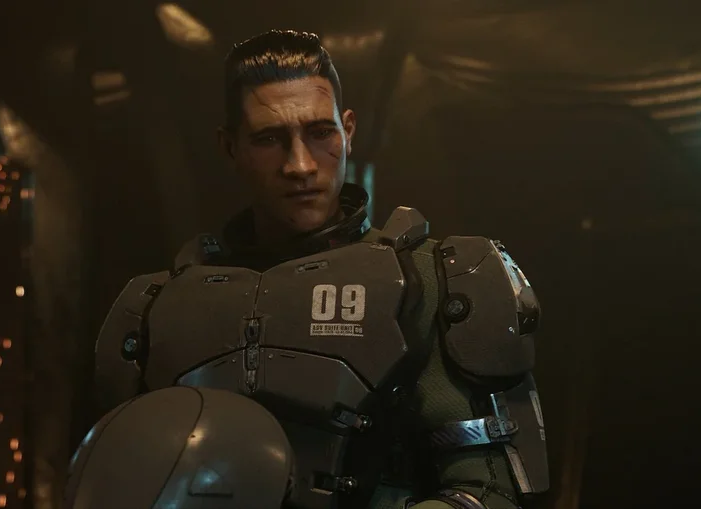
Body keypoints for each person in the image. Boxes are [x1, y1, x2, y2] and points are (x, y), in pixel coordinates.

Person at [89, 30, 548, 509]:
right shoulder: (156, 308)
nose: (300, 165)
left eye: (320, 132)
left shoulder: (432, 281)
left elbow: (487, 493)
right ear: (230, 147)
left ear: (348, 131)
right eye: (269, 139)